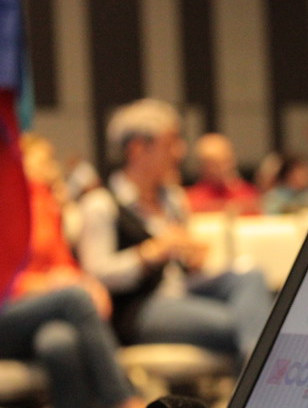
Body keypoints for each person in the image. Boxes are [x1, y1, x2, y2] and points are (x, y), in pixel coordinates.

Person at [78, 99, 272, 361]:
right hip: (140, 307)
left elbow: (185, 267)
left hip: (184, 291)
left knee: (251, 276)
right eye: (170, 143)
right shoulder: (100, 204)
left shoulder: (173, 198)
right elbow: (95, 275)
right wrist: (149, 254)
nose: (180, 152)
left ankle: (256, 367)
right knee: (242, 324)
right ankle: (262, 372)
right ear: (137, 149)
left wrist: (192, 257)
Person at [0, 133, 145, 408]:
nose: (51, 168)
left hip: (35, 315)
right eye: (41, 161)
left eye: (51, 161)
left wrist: (85, 281)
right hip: (8, 314)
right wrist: (48, 284)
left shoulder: (44, 203)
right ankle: (124, 402)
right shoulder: (8, 204)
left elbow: (63, 263)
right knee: (74, 298)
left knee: (59, 342)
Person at [185, 133, 260, 215]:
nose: (218, 169)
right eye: (211, 164)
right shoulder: (192, 198)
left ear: (232, 161)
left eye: (223, 162)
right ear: (201, 167)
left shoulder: (247, 194)